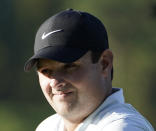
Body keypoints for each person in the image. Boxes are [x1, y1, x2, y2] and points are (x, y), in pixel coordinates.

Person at [24, 9, 154, 131]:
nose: (55, 82)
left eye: (69, 66)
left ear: (104, 63)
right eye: (46, 71)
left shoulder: (124, 127)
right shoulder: (48, 127)